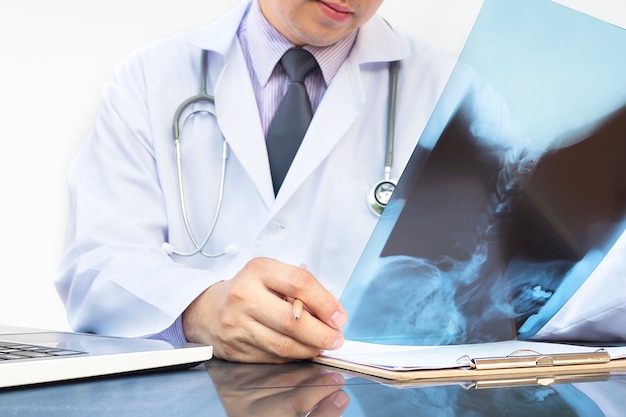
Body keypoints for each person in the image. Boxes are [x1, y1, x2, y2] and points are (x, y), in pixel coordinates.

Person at [54, 0, 458, 363]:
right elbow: (96, 266)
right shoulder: (149, 79)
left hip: (363, 398)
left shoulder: (450, 90)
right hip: (192, 397)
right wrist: (200, 309)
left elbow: (495, 287)